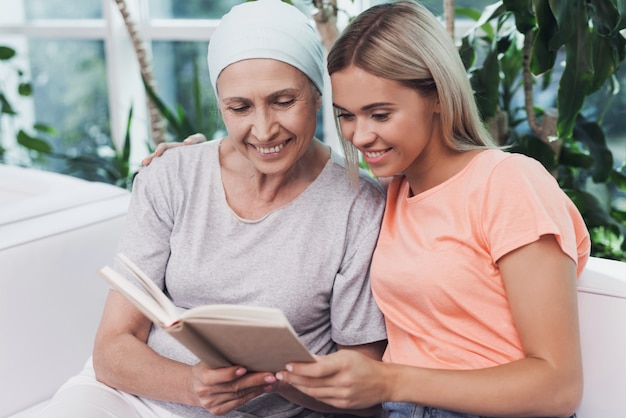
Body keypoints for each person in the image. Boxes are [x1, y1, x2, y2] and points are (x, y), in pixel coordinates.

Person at [40, 1, 387, 417]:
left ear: (317, 95)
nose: (263, 129)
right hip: (133, 399)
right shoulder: (172, 176)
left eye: (283, 101)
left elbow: (363, 388)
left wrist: (270, 378)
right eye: (240, 108)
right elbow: (112, 349)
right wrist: (190, 385)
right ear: (221, 106)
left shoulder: (358, 208)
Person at [274, 2, 591, 418]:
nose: (361, 135)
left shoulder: (508, 184)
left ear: (438, 97)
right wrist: (188, 158)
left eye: (380, 114)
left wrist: (390, 380)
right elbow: (299, 165)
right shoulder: (391, 192)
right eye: (346, 116)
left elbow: (558, 387)